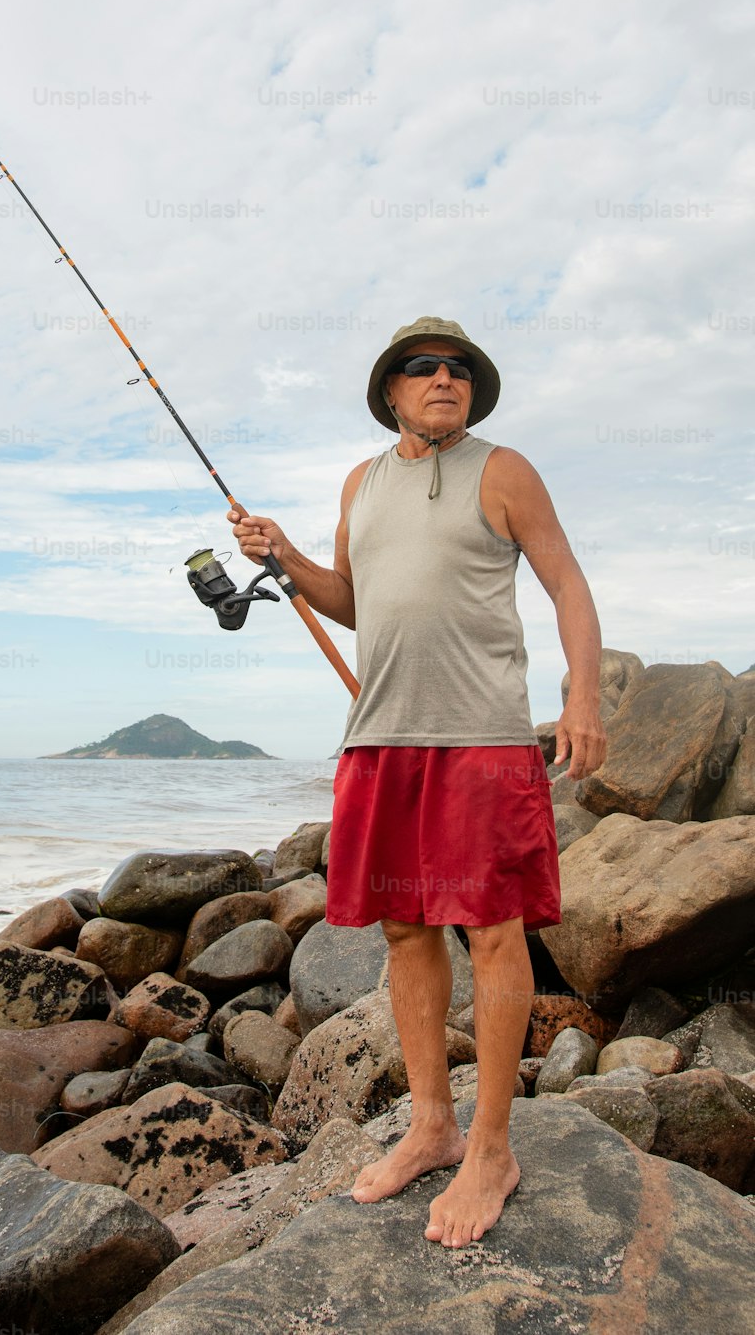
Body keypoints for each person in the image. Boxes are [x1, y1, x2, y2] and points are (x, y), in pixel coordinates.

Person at [228, 315, 607, 1249]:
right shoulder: (360, 482)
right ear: (390, 391)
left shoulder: (504, 470)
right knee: (404, 927)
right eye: (422, 368)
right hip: (379, 736)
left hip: (482, 738)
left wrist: (584, 696)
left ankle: (491, 1146)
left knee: (492, 929)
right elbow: (355, 601)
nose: (445, 379)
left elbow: (567, 585)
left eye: (459, 370)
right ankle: (432, 1123)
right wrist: (285, 559)